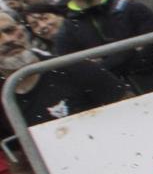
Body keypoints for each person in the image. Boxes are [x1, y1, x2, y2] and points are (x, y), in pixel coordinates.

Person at [0, 8, 129, 132]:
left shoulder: (75, 67)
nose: (8, 40)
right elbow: (15, 151)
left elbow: (133, 108)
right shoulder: (3, 102)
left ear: (22, 30)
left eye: (10, 30)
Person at [52, 0, 153, 92]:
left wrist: (104, 64)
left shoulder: (132, 8)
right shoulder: (66, 34)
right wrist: (130, 51)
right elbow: (82, 78)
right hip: (115, 104)